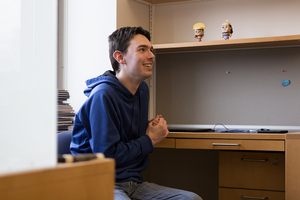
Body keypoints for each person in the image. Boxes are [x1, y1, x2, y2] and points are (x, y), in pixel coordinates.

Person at [70, 26, 202, 200]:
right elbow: (107, 157)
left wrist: (149, 129)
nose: (152, 55)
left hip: (133, 183)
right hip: (99, 182)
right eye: (142, 49)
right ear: (120, 57)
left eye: (151, 50)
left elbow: (128, 138)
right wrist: (150, 139)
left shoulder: (142, 90)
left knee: (191, 199)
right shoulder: (103, 95)